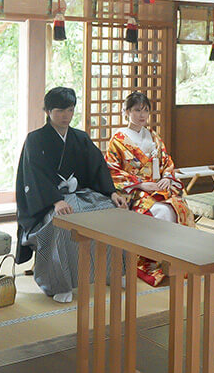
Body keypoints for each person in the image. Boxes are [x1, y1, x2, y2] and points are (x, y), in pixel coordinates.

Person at [15, 87, 122, 303]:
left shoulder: (79, 138)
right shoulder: (35, 140)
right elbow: (33, 175)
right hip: (48, 202)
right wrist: (55, 200)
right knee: (62, 224)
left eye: (70, 110)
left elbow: (97, 168)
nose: (66, 116)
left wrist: (112, 192)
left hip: (79, 195)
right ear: (48, 111)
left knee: (111, 212)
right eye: (60, 110)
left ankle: (113, 272)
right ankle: (58, 282)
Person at [106, 90, 195, 286]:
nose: (142, 115)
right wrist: (139, 183)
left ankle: (176, 259)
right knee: (161, 210)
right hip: (135, 192)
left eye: (146, 111)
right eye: (137, 110)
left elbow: (166, 162)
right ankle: (154, 263)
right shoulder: (118, 140)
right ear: (126, 112)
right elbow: (112, 170)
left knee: (179, 206)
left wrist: (166, 178)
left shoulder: (153, 136)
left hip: (158, 187)